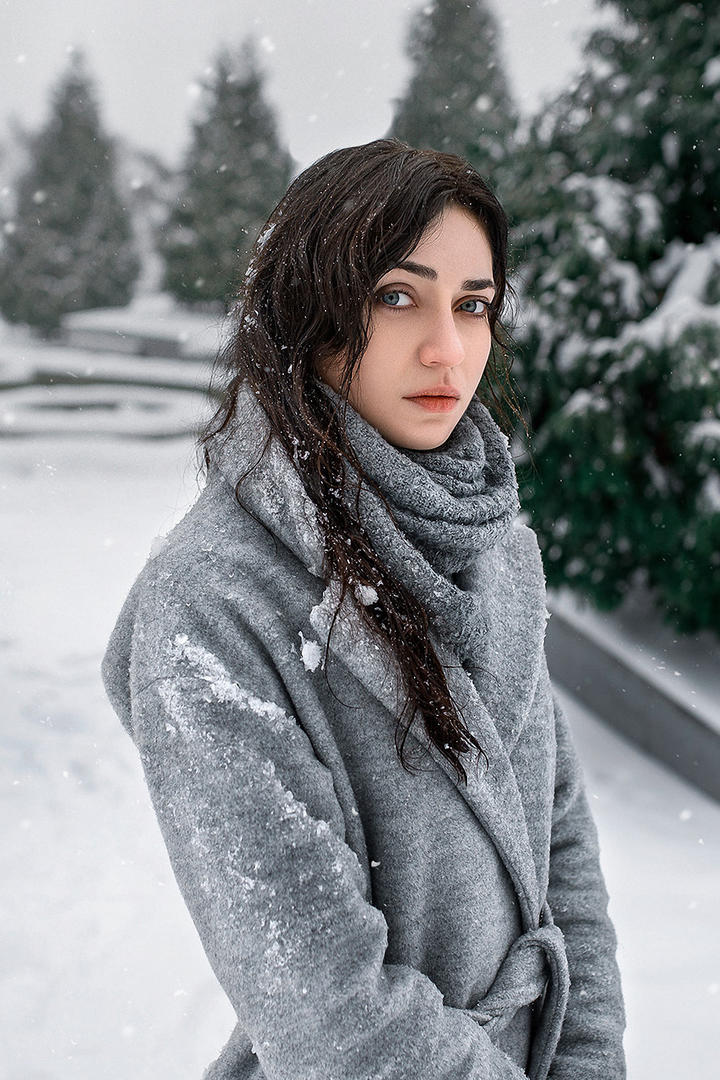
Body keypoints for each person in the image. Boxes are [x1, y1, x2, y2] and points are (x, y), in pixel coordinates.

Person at [102, 138, 626, 1080]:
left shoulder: (497, 547)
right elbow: (326, 1010)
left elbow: (561, 850)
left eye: (473, 305)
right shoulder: (214, 598)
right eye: (397, 297)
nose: (447, 348)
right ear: (310, 310)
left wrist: (589, 1059)